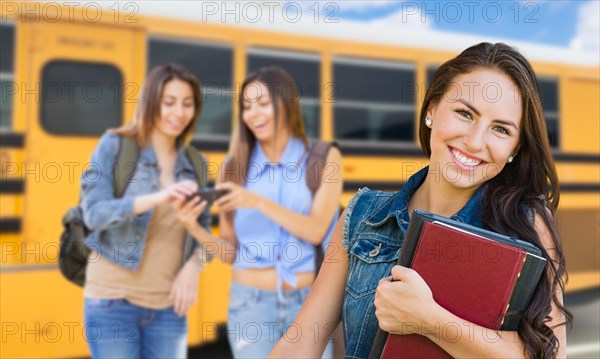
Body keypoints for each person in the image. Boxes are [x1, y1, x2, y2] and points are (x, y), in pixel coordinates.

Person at [268, 42, 572, 359]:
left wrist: (429, 320)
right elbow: (301, 342)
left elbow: (550, 354)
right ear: (431, 110)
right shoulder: (362, 216)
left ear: (514, 149)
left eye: (500, 129)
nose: (475, 141)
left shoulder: (528, 223)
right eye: (465, 113)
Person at [171, 67, 343, 358]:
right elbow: (230, 253)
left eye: (263, 103)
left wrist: (257, 202)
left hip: (308, 304)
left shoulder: (324, 158)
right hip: (249, 305)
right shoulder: (232, 168)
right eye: (247, 107)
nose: (254, 114)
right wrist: (194, 228)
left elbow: (315, 230)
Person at [80, 64, 211, 359]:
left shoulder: (196, 163)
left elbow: (204, 227)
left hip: (169, 309)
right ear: (151, 101)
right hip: (113, 303)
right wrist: (156, 198)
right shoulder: (115, 146)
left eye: (187, 104)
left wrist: (194, 266)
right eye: (169, 102)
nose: (179, 112)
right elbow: (94, 213)